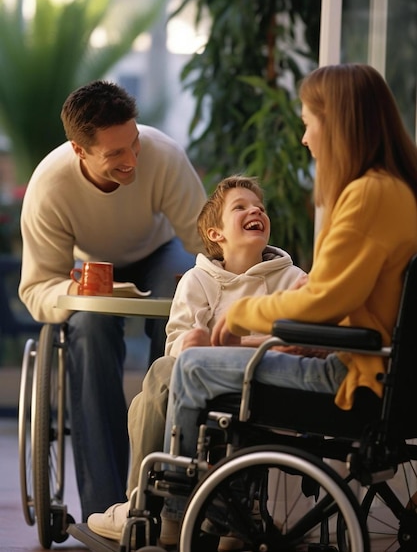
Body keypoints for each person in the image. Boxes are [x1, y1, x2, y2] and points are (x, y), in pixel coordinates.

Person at [159, 63, 417, 545]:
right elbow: (349, 291)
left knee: (192, 366)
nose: (304, 138)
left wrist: (238, 315)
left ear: (336, 122)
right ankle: (225, 512)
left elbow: (326, 300)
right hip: (386, 376)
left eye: (307, 122)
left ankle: (175, 521)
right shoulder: (399, 191)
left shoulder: (367, 195)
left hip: (354, 380)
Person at [18, 80, 207, 520]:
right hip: (92, 267)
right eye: (115, 154)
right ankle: (105, 509)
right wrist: (77, 294)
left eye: (134, 143)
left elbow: (205, 244)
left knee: (180, 296)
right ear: (79, 150)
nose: (131, 160)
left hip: (160, 251)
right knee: (88, 326)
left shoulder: (163, 155)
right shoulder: (50, 187)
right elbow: (36, 286)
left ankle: (168, 489)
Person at [86, 174, 307, 546]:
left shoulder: (292, 279)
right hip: (202, 387)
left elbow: (297, 342)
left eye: (260, 208)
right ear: (216, 234)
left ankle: (141, 506)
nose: (255, 210)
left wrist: (221, 343)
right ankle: (171, 509)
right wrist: (202, 344)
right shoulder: (198, 280)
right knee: (152, 389)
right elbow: (178, 347)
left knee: (155, 380)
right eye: (240, 207)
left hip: (264, 385)